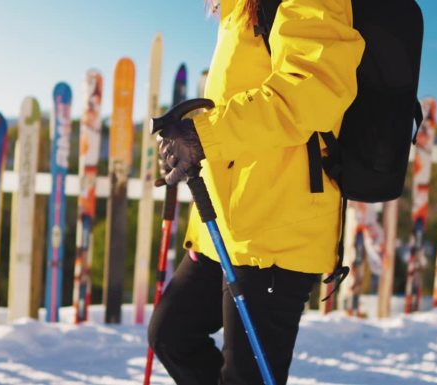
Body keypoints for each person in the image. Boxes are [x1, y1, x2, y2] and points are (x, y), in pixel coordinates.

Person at [148, 0, 364, 384]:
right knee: (172, 335)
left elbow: (311, 90)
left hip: (278, 228)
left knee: (245, 378)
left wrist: (204, 135)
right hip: (228, 224)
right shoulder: (240, 7)